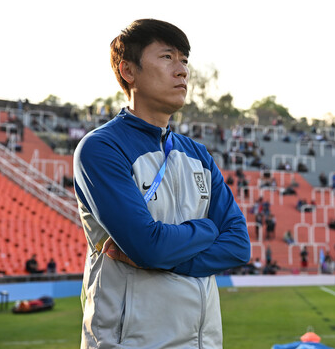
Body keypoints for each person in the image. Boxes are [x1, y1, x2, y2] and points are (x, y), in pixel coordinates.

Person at [73, 19, 251, 349]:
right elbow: (148, 245)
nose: (182, 70)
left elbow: (239, 245)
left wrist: (161, 258)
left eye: (184, 60)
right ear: (129, 71)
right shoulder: (101, 148)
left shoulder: (198, 154)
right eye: (167, 57)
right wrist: (208, 229)